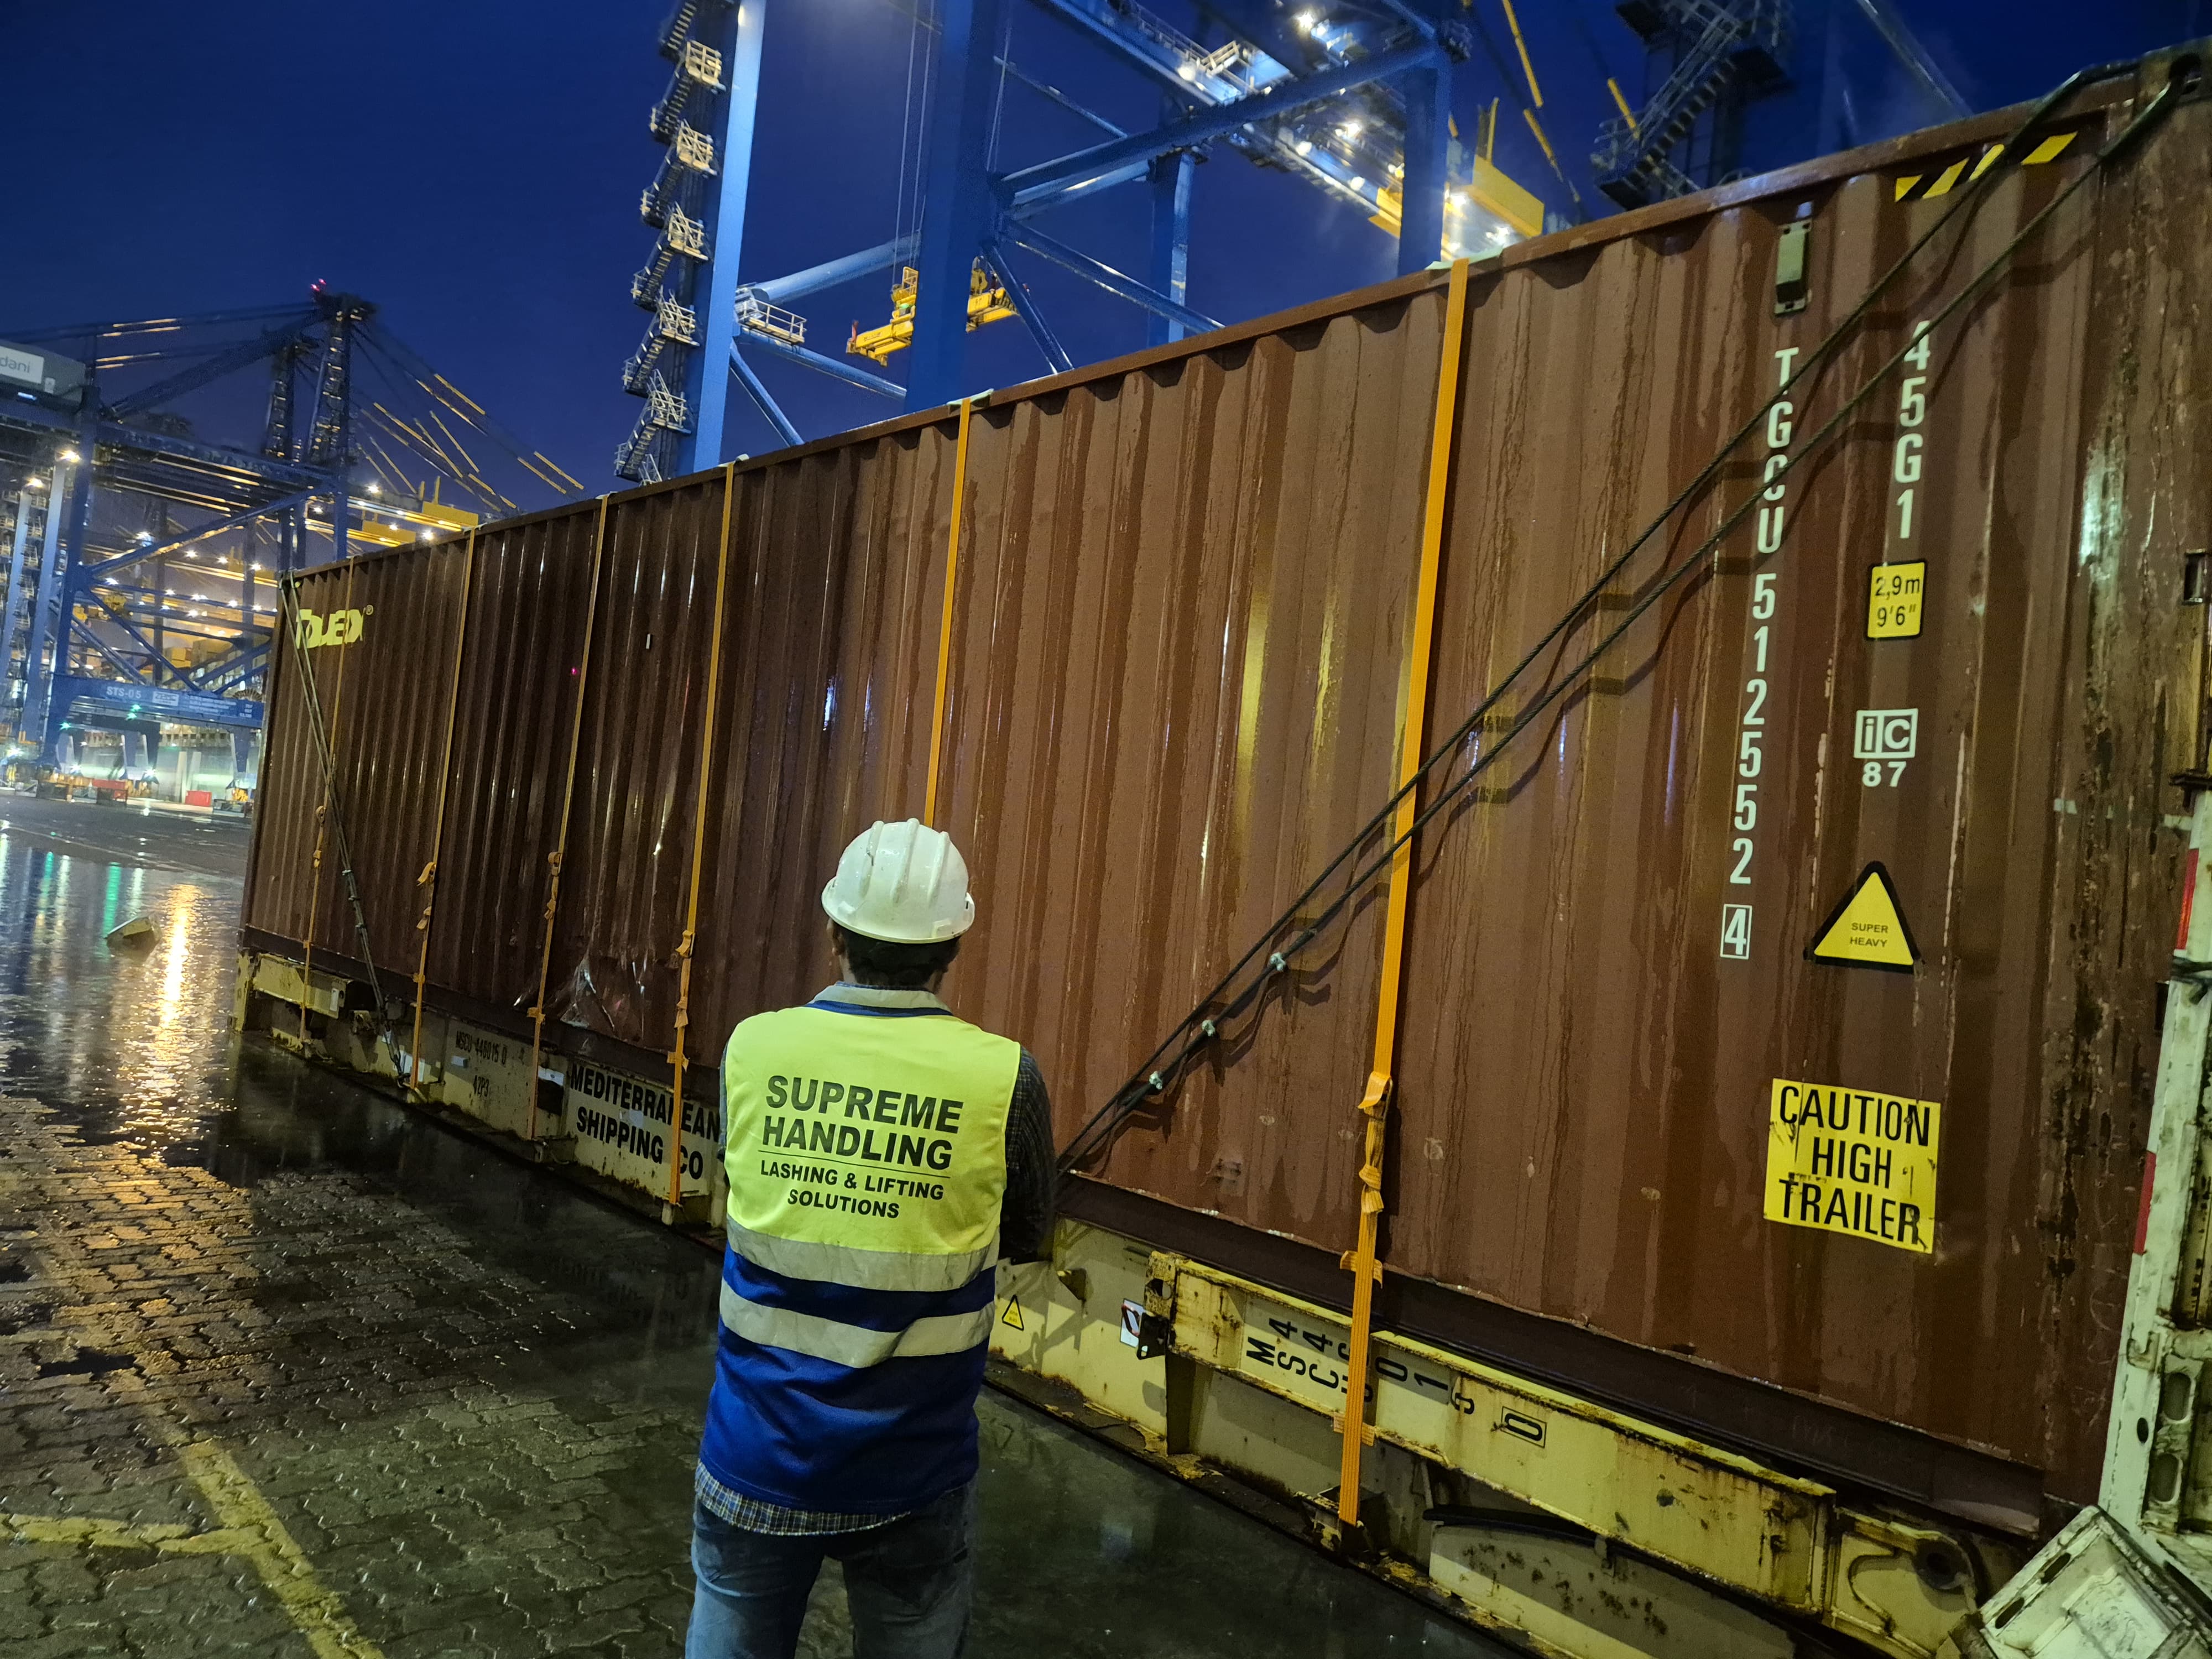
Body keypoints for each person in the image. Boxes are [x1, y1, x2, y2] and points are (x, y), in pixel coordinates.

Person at [686, 818, 1056, 1659]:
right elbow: (1026, 1239)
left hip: (757, 1457)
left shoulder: (753, 1049)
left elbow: (741, 1193)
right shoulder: (1006, 1078)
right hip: (914, 1472)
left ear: (834, 934)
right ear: (951, 949)